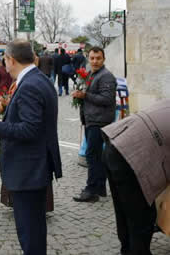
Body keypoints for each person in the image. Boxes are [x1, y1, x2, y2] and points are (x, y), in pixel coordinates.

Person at [0, 39, 62, 255]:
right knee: (34, 228)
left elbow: (30, 129)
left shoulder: (30, 84)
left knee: (29, 231)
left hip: (28, 169)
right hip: (35, 166)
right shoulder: (39, 79)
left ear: (10, 59)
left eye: (5, 60)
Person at [102, 100, 170, 255]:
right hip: (131, 156)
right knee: (143, 216)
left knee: (124, 212)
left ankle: (127, 250)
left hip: (114, 144)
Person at [72, 46, 117, 203]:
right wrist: (79, 94)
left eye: (98, 58)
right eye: (92, 58)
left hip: (100, 120)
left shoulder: (106, 76)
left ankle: (91, 190)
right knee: (96, 155)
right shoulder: (91, 74)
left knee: (92, 155)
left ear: (103, 59)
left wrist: (85, 95)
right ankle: (99, 188)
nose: (95, 61)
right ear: (88, 59)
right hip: (91, 119)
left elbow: (107, 99)